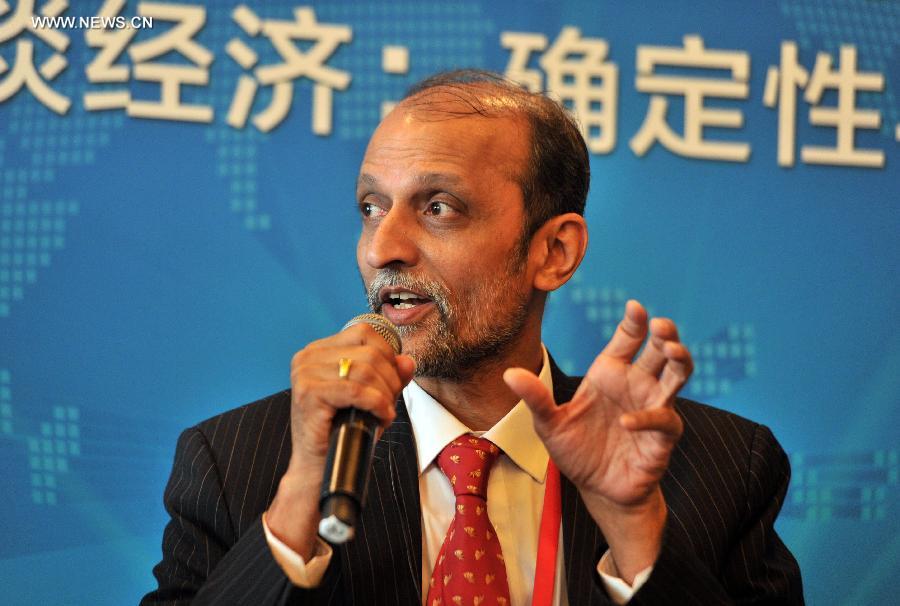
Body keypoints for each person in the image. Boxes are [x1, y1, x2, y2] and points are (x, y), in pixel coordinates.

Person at [142, 70, 803, 605]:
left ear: (554, 252)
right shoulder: (236, 465)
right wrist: (295, 510)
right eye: (371, 207)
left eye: (439, 207)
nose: (381, 248)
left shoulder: (718, 471)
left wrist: (637, 535)